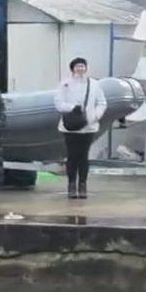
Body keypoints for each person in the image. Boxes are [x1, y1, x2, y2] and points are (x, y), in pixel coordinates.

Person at [53, 58, 108, 199]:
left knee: (84, 156)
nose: (80, 69)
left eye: (82, 66)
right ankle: (71, 184)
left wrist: (95, 116)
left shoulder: (94, 84)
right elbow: (58, 102)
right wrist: (72, 108)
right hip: (70, 126)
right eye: (77, 66)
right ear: (72, 68)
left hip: (89, 126)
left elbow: (101, 102)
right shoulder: (65, 84)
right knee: (72, 156)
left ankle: (82, 185)